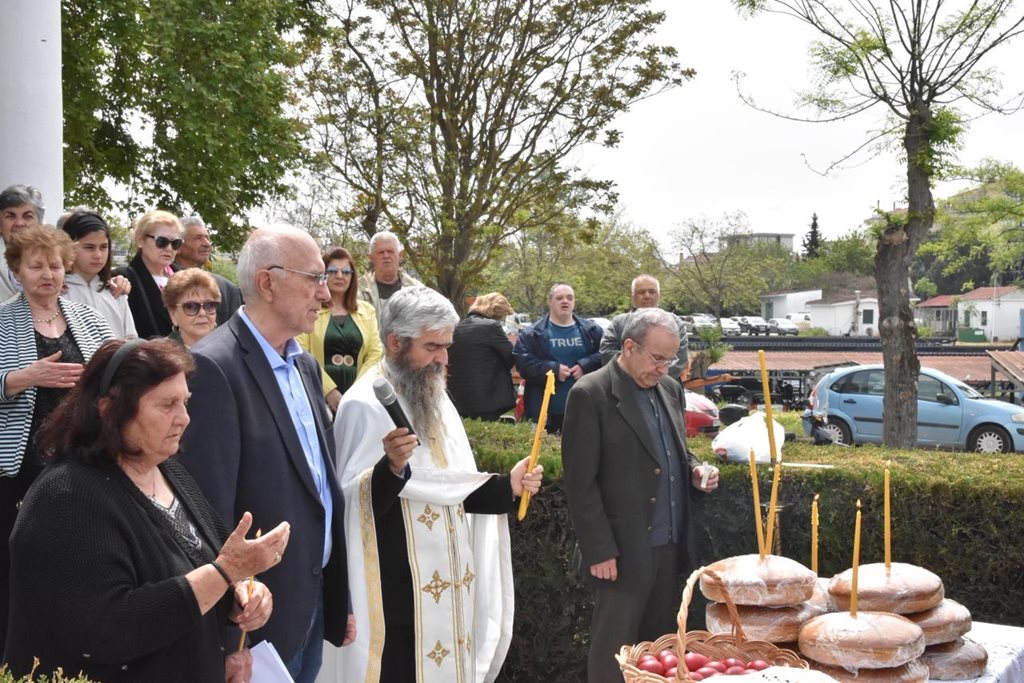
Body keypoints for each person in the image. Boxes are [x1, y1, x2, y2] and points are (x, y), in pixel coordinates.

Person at [3, 338, 289, 682]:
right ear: (109, 408)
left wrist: (243, 597)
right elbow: (108, 630)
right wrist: (226, 573)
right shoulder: (65, 497)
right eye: (167, 405)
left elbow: (209, 567)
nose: (183, 418)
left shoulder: (169, 471)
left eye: (185, 402)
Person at [331, 285, 543, 682]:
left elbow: (447, 484)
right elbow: (349, 503)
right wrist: (389, 469)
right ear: (395, 341)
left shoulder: (434, 393)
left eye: (447, 346)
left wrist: (507, 487)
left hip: (449, 578)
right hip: (398, 585)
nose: (443, 359)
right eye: (432, 347)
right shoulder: (363, 403)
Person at [178, 225, 353, 683]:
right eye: (314, 278)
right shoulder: (214, 367)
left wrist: (339, 599)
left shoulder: (305, 365)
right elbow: (205, 514)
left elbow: (321, 489)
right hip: (254, 625)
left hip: (308, 605)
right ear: (267, 282)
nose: (325, 292)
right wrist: (230, 641)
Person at [561, 308, 720, 683]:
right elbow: (580, 483)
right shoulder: (591, 393)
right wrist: (599, 549)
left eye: (672, 359)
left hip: (668, 542)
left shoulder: (670, 388)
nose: (666, 367)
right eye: (658, 358)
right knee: (613, 652)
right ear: (629, 346)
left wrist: (695, 469)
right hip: (621, 548)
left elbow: (673, 448)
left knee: (658, 651)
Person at [0, 226, 115, 652]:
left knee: (78, 559)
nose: (47, 273)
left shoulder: (87, 317)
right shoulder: (2, 320)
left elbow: (115, 376)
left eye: (53, 264)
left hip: (81, 460)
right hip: (18, 466)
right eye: (35, 265)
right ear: (17, 271)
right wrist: (24, 378)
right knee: (19, 563)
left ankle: (72, 649)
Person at [296, 247, 383, 413]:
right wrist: (328, 391)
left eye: (346, 272)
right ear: (323, 275)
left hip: (358, 398)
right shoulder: (309, 309)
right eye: (333, 271)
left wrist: (356, 391)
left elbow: (375, 354)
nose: (340, 276)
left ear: (353, 276)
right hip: (317, 396)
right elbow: (301, 352)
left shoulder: (367, 311)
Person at [513, 283, 603, 433]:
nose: (565, 301)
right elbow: (523, 364)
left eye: (569, 298)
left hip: (585, 410)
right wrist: (553, 370)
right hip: (545, 412)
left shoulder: (592, 330)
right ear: (550, 302)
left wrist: (585, 365)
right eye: (559, 298)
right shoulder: (532, 333)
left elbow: (606, 355)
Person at [60, 209, 138, 339]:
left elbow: (130, 339)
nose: (98, 255)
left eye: (103, 247)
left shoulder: (115, 292)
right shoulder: (59, 292)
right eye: (89, 247)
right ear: (69, 247)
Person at [599, 274, 688, 380]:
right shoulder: (618, 323)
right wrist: (637, 379)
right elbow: (606, 354)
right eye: (641, 292)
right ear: (632, 296)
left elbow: (679, 362)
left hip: (665, 390)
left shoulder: (676, 324)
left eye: (652, 292)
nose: (647, 296)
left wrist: (653, 379)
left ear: (659, 295)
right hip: (624, 390)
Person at [447, 291, 516, 421]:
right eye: (502, 316)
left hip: (458, 398)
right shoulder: (491, 327)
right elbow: (509, 357)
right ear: (495, 312)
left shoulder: (457, 328)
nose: (501, 320)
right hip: (488, 399)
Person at [114, 210, 183, 339]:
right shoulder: (123, 278)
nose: (169, 248)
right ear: (140, 240)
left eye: (175, 243)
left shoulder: (185, 277)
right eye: (161, 241)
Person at [175, 216, 244, 325]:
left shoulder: (227, 289)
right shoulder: (163, 282)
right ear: (178, 245)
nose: (207, 243)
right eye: (198, 238)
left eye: (207, 238)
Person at [356, 231, 423, 323]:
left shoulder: (418, 290)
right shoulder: (357, 290)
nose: (386, 256)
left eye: (390, 251)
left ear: (400, 255)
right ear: (371, 258)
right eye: (381, 252)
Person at [0, 184, 45, 302]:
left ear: (39, 223)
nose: (19, 223)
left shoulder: (55, 259)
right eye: (10, 216)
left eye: (28, 216)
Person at [163, 268, 222, 348]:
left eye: (209, 305)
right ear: (173, 315)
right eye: (191, 306)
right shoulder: (158, 357)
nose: (202, 313)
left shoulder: (232, 349)